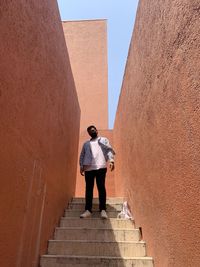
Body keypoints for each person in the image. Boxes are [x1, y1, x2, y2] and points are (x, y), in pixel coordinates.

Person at [79, 125, 115, 219]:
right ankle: (88, 210)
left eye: (93, 129)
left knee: (101, 187)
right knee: (89, 189)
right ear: (89, 133)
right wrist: (81, 166)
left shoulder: (103, 140)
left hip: (101, 167)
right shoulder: (86, 144)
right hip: (88, 168)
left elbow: (109, 150)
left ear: (96, 130)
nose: (92, 131)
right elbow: (82, 155)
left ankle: (103, 210)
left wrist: (111, 160)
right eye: (90, 130)